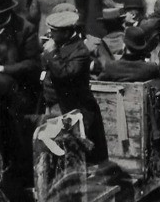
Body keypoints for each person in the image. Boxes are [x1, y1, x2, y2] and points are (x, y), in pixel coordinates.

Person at [41, 11, 109, 164]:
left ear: (66, 33)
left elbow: (64, 74)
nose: (51, 34)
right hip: (57, 104)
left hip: (76, 108)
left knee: (80, 151)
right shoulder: (59, 46)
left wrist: (51, 54)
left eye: (54, 31)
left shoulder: (80, 51)